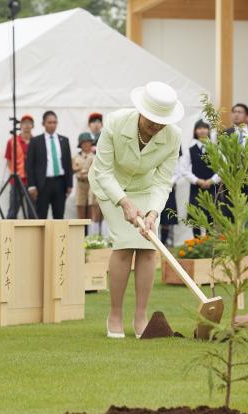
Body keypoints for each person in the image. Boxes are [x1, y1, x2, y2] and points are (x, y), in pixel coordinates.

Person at [88, 81, 183, 338]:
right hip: (109, 186)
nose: (156, 127)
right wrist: (125, 203)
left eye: (162, 122)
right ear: (142, 111)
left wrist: (152, 213)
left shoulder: (173, 136)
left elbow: (163, 181)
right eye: (152, 120)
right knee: (124, 244)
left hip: (145, 190)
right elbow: (103, 171)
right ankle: (115, 314)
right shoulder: (116, 123)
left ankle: (141, 316)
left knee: (149, 247)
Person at [25, 111, 73, 219]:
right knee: (41, 215)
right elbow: (29, 165)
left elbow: (68, 163)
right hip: (43, 184)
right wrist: (31, 186)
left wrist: (69, 184)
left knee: (59, 215)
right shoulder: (35, 141)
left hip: (60, 183)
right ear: (43, 124)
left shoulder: (64, 140)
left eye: (54, 122)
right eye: (49, 122)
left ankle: (58, 237)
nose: (52, 125)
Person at [181, 120, 218, 237]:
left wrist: (212, 180)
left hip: (212, 187)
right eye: (199, 128)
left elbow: (222, 168)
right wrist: (197, 180)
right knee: (196, 217)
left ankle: (210, 244)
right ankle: (197, 243)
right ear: (195, 131)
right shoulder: (190, 150)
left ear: (209, 130)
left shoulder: (215, 149)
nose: (202, 131)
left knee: (211, 216)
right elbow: (184, 170)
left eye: (204, 128)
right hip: (196, 188)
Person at [4, 114, 35, 219]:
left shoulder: (36, 141)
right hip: (16, 180)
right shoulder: (12, 141)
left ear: (32, 125)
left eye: (29, 123)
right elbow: (8, 159)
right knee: (13, 209)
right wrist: (14, 172)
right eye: (24, 123)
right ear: (20, 125)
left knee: (32, 210)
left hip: (31, 181)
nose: (27, 126)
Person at [72, 132, 101, 232]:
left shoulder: (95, 156)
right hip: (80, 184)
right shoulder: (76, 157)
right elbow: (72, 169)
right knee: (80, 208)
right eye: (83, 143)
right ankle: (81, 234)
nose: (86, 145)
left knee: (91, 209)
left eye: (88, 142)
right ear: (80, 144)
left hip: (91, 185)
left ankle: (90, 234)